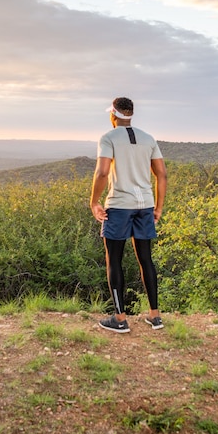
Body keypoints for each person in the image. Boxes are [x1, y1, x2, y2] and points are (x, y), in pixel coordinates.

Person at [89, 96, 167, 333]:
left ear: (113, 114)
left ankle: (120, 318)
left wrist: (94, 202)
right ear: (130, 114)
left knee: (114, 260)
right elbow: (161, 174)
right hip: (145, 205)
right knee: (146, 259)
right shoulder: (148, 138)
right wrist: (159, 207)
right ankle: (155, 316)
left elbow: (102, 172)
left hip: (120, 205)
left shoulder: (108, 138)